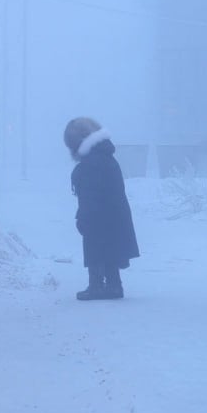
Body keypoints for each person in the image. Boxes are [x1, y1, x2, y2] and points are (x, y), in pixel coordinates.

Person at [63, 117, 138, 301]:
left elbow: (90, 196)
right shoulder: (104, 157)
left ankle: (96, 285)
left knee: (95, 245)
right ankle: (113, 285)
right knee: (109, 246)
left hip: (98, 215)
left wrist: (82, 218)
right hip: (112, 214)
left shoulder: (91, 163)